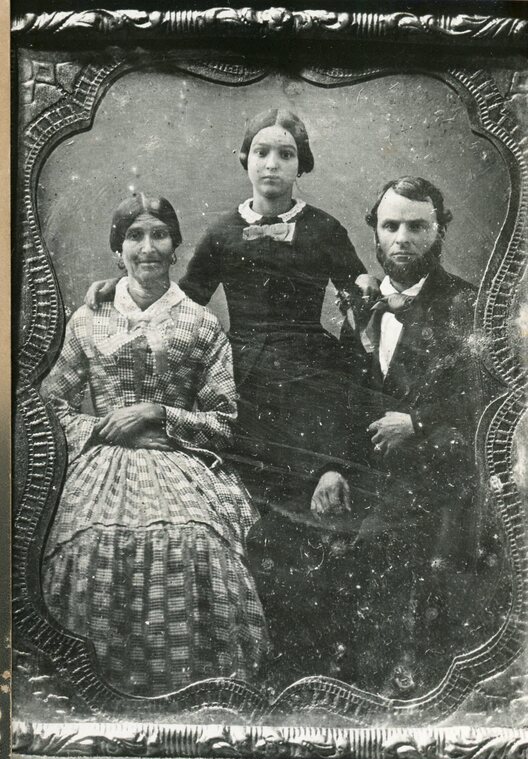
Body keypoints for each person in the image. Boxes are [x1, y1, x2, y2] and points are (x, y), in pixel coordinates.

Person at [85, 110, 378, 679]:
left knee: (314, 516)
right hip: (240, 381)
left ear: (301, 164)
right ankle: (251, 652)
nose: (273, 164)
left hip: (312, 382)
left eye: (286, 154)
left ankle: (314, 657)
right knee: (248, 519)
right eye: (262, 152)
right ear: (246, 160)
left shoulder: (324, 228)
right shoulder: (222, 231)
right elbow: (181, 297)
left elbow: (360, 296)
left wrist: (364, 294)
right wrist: (119, 285)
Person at [40, 193, 267, 697]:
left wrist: (158, 414)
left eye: (159, 235)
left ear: (176, 247)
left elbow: (224, 422)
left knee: (194, 542)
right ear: (117, 249)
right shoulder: (88, 318)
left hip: (178, 459)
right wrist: (106, 428)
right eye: (135, 236)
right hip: (100, 464)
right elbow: (49, 406)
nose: (148, 247)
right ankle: (93, 691)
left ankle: (198, 691)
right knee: (89, 544)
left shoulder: (201, 324)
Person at [314, 176, 492, 694]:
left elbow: (490, 400)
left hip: (440, 482)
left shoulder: (467, 305)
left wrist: (417, 423)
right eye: (391, 226)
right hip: (370, 479)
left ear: (440, 232)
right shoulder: (361, 305)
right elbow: (346, 400)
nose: (402, 239)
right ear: (375, 232)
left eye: (417, 227)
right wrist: (331, 466)